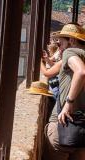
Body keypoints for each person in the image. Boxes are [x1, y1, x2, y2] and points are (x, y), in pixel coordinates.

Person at [45, 23, 85, 159]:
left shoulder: (70, 52)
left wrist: (68, 103)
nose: (59, 46)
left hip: (62, 125)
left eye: (61, 42)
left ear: (72, 40)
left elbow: (81, 72)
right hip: (81, 129)